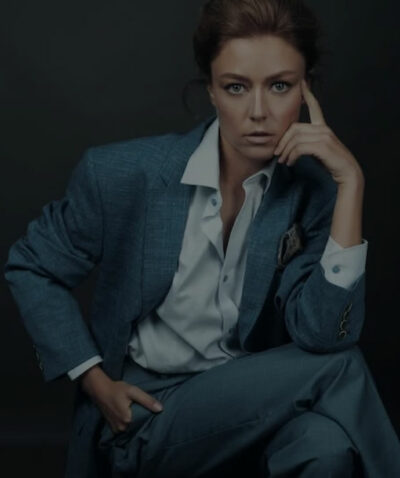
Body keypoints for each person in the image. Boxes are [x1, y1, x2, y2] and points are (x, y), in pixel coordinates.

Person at [4, 0, 400, 476]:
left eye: (279, 86)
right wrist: (92, 378)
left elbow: (323, 333)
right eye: (236, 87)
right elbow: (31, 266)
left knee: (326, 446)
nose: (258, 112)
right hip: (151, 410)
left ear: (306, 90)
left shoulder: (312, 191)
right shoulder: (122, 174)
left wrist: (351, 183)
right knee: (342, 368)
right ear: (211, 90)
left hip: (258, 405)